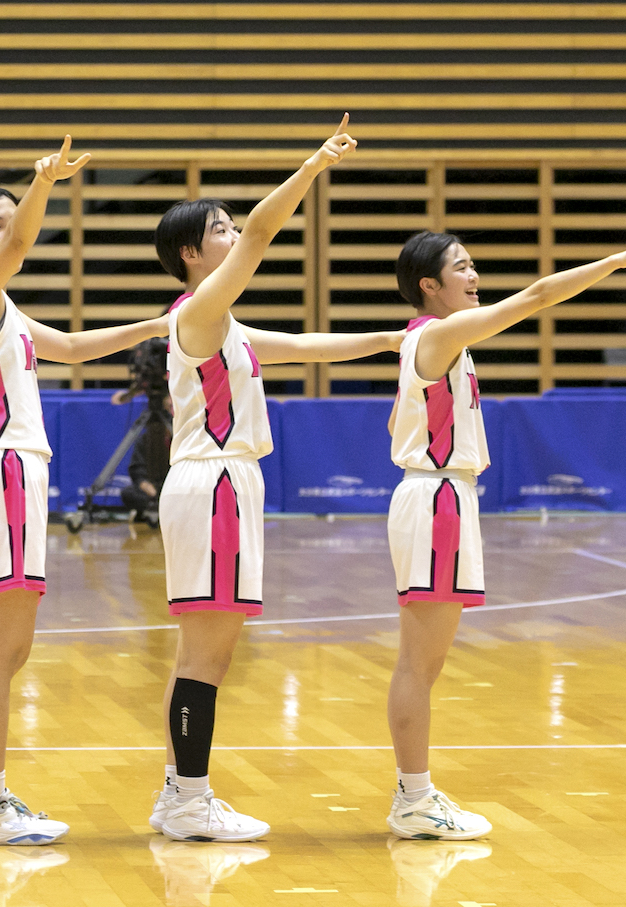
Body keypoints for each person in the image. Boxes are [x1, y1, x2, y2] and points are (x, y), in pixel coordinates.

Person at [148, 115, 406, 843]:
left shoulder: (223, 326)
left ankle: (179, 794)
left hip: (222, 486)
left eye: (234, 226)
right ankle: (189, 800)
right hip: (215, 484)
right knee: (208, 655)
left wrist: (392, 339)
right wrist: (315, 164)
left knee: (197, 653)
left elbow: (305, 344)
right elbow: (265, 234)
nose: (238, 236)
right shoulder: (199, 312)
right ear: (194, 254)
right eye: (223, 230)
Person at [0, 138, 169, 846]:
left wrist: (156, 325)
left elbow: (78, 348)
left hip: (2, 476)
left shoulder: (3, 310)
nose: (9, 231)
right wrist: (43, 182)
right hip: (0, 471)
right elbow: (23, 244)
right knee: (3, 651)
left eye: (8, 219)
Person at [382, 227, 626, 840]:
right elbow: (537, 295)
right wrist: (617, 258)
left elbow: (394, 422)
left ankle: (414, 795)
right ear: (429, 286)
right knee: (418, 665)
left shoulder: (421, 342)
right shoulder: (439, 332)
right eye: (462, 267)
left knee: (419, 663)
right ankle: (413, 799)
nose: (475, 276)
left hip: (432, 495)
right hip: (437, 499)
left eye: (473, 263)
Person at [118, 337, 172, 524]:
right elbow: (136, 469)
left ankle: (166, 502)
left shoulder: (178, 434)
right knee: (129, 494)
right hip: (149, 489)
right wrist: (144, 485)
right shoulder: (145, 437)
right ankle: (154, 504)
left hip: (173, 487)